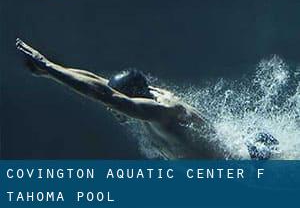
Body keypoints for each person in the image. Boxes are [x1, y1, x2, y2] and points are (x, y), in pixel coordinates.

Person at [15, 38, 277, 159]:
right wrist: (51, 71)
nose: (111, 109)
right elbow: (99, 84)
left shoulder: (161, 112)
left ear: (132, 98)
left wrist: (48, 67)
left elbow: (105, 95)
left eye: (115, 104)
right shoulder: (146, 97)